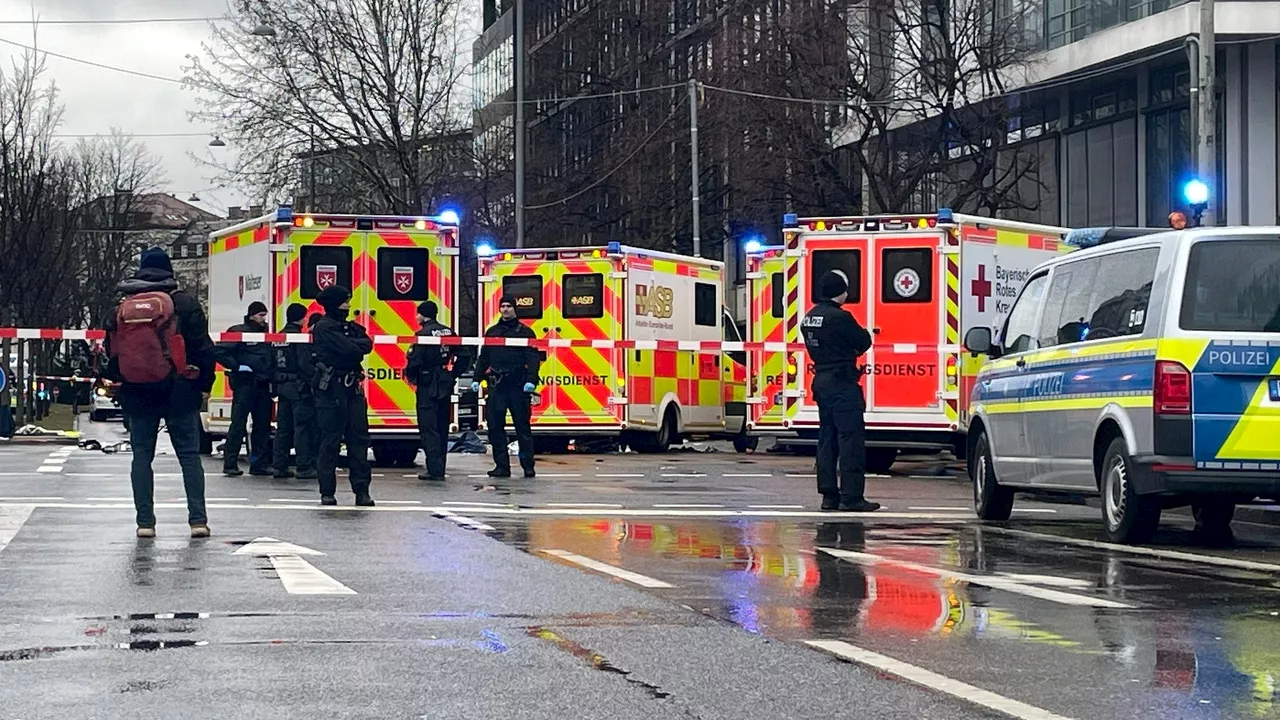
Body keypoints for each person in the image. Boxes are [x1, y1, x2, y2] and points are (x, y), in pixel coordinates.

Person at [103, 247, 216, 538]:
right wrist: (204, 385)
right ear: (170, 272)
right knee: (189, 456)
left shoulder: (121, 309)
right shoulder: (185, 304)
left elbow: (111, 354)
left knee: (141, 456)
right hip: (179, 390)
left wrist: (122, 383)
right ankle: (197, 521)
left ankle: (145, 523)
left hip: (138, 392)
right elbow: (203, 348)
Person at [800, 269, 880, 512]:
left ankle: (828, 496)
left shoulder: (809, 318)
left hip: (821, 381)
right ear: (840, 292)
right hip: (842, 382)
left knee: (827, 438)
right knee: (850, 439)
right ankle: (851, 496)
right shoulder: (841, 318)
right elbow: (863, 342)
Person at [312, 285, 375, 506]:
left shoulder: (347, 327)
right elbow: (350, 350)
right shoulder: (324, 327)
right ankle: (327, 491)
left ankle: (362, 491)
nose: (348, 306)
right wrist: (354, 345)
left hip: (352, 389)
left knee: (359, 440)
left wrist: (354, 344)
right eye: (345, 302)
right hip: (332, 390)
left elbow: (367, 345)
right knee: (330, 441)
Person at [472, 294, 541, 478]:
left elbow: (533, 359)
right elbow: (484, 357)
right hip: (497, 386)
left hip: (518, 385)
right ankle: (501, 466)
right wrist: (476, 378)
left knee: (522, 428)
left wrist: (531, 381)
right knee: (495, 428)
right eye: (502, 306)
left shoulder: (525, 332)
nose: (505, 309)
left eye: (508, 306)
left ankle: (528, 466)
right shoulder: (492, 332)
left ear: (514, 309)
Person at [405, 300, 467, 481]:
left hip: (427, 383)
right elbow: (464, 355)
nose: (416, 317)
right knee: (441, 427)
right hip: (443, 381)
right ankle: (440, 466)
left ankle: (434, 469)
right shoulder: (448, 331)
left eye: (418, 314)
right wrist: (453, 374)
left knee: (428, 427)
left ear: (423, 315)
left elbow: (414, 361)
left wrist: (413, 378)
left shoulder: (423, 334)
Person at [215, 301, 275, 476]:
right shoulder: (238, 331)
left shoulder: (265, 334)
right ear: (251, 315)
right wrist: (236, 366)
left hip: (263, 385)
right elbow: (219, 351)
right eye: (260, 315)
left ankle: (259, 464)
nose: (263, 319)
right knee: (238, 425)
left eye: (264, 315)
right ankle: (230, 463)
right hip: (245, 384)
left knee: (262, 426)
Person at [271, 303, 318, 480]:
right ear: (302, 318)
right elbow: (304, 364)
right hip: (298, 388)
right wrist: (314, 381)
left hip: (282, 387)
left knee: (283, 429)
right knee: (302, 428)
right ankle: (304, 466)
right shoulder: (299, 338)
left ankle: (279, 466)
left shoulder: (277, 337)